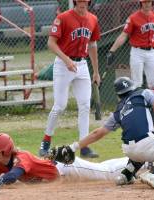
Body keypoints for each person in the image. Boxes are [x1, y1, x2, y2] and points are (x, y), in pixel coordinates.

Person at [61, 77, 154, 189]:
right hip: (147, 145)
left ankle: (126, 175)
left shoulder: (118, 110)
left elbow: (97, 133)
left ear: (119, 95)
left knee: (144, 147)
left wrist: (73, 147)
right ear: (132, 87)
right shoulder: (143, 93)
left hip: (130, 151)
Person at [0, 133, 131, 195]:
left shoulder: (22, 157)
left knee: (106, 172)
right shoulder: (0, 163)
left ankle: (140, 161)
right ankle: (129, 161)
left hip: (67, 169)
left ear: (6, 151)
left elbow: (14, 175)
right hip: (60, 174)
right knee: (103, 168)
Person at [38, 0, 101, 158]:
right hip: (63, 64)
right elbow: (51, 43)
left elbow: (93, 45)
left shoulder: (93, 19)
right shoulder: (63, 17)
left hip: (82, 65)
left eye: (84, 0)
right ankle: (45, 142)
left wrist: (96, 71)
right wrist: (66, 60)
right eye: (79, 0)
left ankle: (84, 146)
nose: (82, 3)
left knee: (85, 105)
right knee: (60, 105)